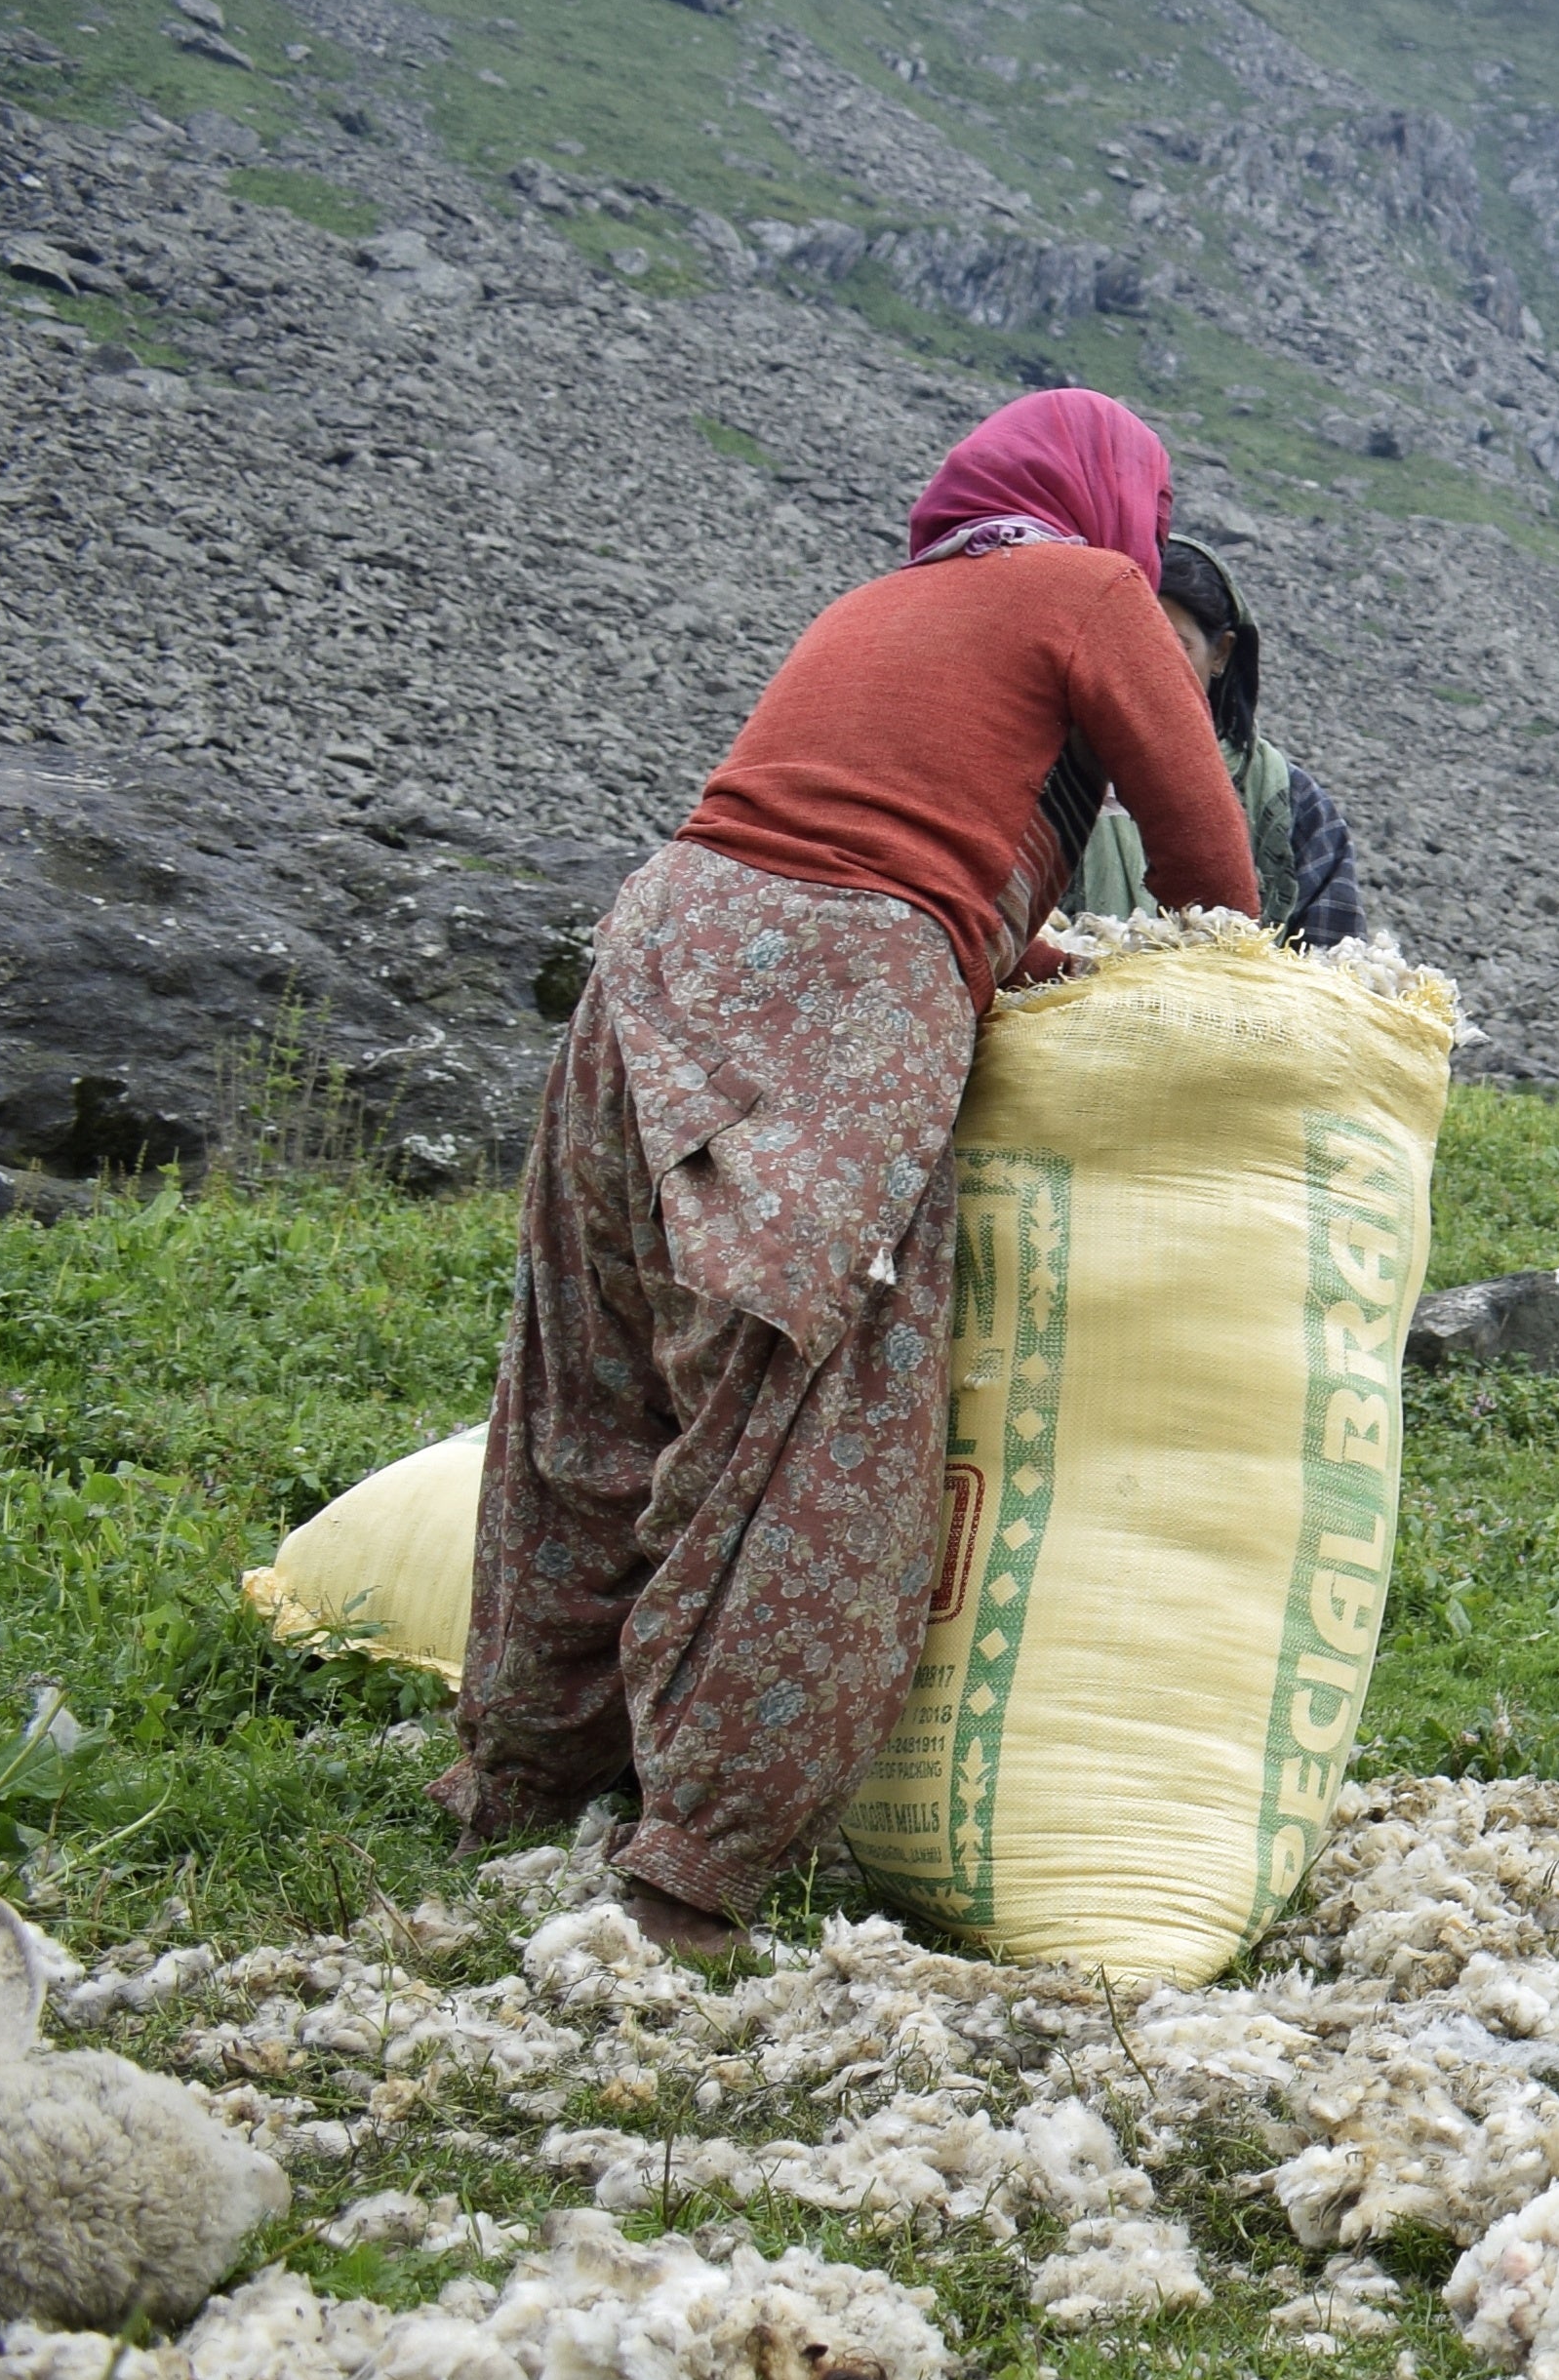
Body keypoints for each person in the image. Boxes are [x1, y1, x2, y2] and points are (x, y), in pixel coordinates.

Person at [452, 389, 1259, 1957]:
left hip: (659, 946)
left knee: (598, 1372)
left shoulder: (889, 600)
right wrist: (1230, 985)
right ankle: (697, 1862)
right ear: (1116, 504)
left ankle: (519, 1777)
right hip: (838, 988)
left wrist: (1015, 946)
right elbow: (1207, 855)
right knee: (813, 1393)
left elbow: (870, 820)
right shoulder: (1088, 590)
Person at [1067, 536, 1373, 946]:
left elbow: (1333, 972)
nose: (1138, 667)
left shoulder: (1286, 802)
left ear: (1221, 654)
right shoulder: (1039, 773)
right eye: (1117, 644)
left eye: (1170, 647)